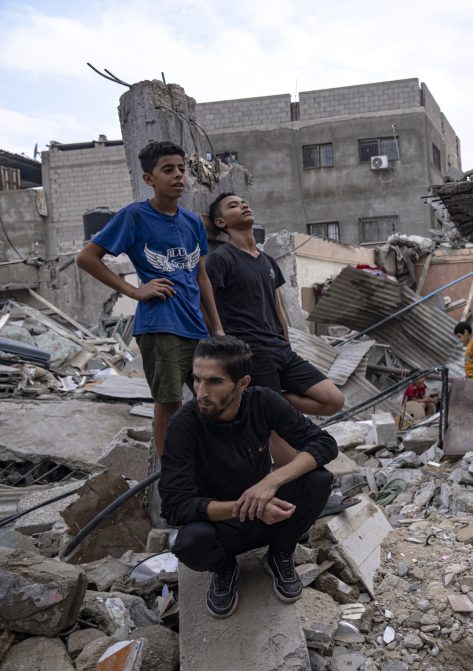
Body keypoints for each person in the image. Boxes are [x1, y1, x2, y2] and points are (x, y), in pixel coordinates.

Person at [159, 336, 336, 618]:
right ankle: (224, 568)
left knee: (319, 480)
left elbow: (324, 443)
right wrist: (248, 507)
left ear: (242, 383)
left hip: (271, 518)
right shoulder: (183, 425)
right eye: (196, 379)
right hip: (222, 526)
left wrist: (270, 482)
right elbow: (174, 506)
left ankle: (280, 554)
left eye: (214, 382)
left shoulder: (264, 402)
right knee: (189, 543)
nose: (201, 392)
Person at [76, 141, 223, 458]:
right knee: (169, 404)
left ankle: (207, 465)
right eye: (168, 169)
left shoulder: (193, 222)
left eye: (181, 169)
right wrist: (134, 291)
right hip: (160, 325)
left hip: (196, 327)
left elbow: (201, 278)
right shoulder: (135, 216)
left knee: (214, 399)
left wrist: (217, 328)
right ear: (149, 179)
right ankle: (172, 476)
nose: (178, 175)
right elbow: (87, 258)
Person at [204, 193, 344, 462]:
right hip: (250, 351)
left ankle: (268, 399)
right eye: (233, 205)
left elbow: (278, 308)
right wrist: (219, 338)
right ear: (221, 222)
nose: (243, 205)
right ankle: (295, 480)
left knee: (333, 399)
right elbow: (205, 301)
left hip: (281, 349)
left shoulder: (268, 261)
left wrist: (286, 341)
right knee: (274, 427)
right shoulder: (220, 259)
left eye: (244, 202)